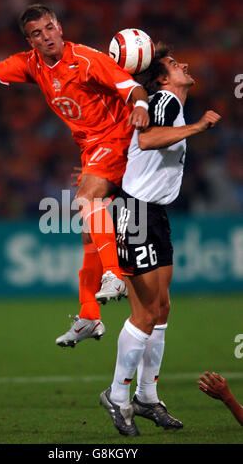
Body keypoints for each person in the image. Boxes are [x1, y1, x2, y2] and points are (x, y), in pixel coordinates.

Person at [0, 4, 150, 346]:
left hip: (117, 138)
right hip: (90, 147)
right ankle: (89, 316)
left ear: (59, 26)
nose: (46, 37)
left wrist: (142, 109)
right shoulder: (31, 64)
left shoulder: (87, 59)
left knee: (86, 199)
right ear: (30, 40)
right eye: (37, 34)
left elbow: (132, 89)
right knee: (90, 235)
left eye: (49, 28)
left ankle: (115, 275)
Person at [99, 42, 221, 436]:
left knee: (161, 309)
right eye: (173, 62)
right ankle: (118, 396)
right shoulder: (164, 100)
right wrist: (199, 127)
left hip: (153, 213)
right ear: (164, 78)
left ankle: (147, 397)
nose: (184, 63)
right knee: (146, 313)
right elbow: (149, 139)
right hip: (137, 212)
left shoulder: (170, 103)